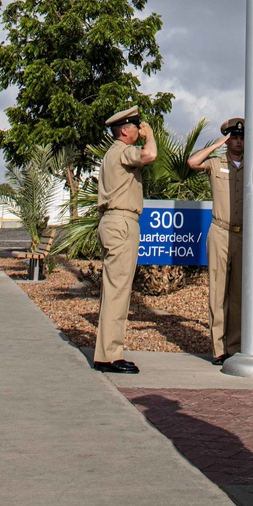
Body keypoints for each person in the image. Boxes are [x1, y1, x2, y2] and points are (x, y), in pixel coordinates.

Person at [94, 105, 157, 374]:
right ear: (124, 131)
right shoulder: (121, 151)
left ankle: (108, 352)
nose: (138, 129)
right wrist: (150, 135)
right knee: (118, 291)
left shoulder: (112, 153)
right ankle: (109, 356)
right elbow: (150, 154)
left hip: (115, 221)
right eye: (135, 127)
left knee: (115, 290)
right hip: (121, 222)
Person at [188, 116, 244, 364]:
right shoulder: (215, 163)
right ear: (228, 140)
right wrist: (216, 144)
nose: (239, 142)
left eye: (242, 137)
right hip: (220, 231)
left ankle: (235, 346)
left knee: (240, 294)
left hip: (245, 235)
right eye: (234, 137)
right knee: (218, 292)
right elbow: (192, 162)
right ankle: (219, 348)